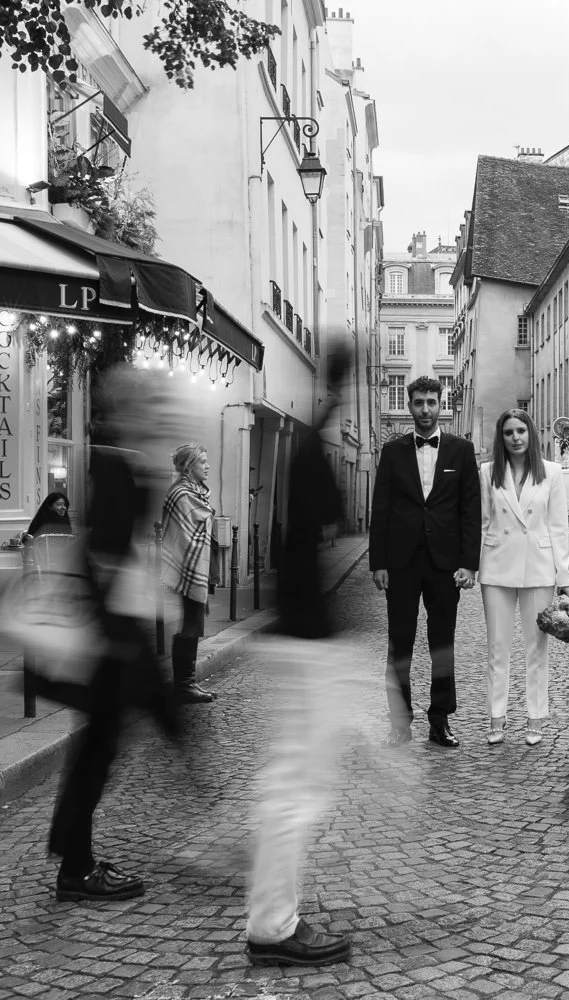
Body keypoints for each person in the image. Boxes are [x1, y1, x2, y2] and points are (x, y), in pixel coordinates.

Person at [46, 365, 187, 902]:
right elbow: (105, 559)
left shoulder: (123, 463)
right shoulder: (114, 467)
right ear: (125, 410)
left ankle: (75, 862)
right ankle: (76, 869)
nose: (158, 412)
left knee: (102, 748)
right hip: (111, 637)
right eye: (150, 403)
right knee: (100, 750)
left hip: (114, 631)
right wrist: (123, 640)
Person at [246, 352, 354, 967]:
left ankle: (273, 918)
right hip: (303, 634)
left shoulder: (308, 441)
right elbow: (325, 528)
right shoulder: (313, 445)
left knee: (295, 783)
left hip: (300, 630)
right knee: (296, 791)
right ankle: (273, 927)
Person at [369, 375, 481, 748]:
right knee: (399, 644)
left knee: (442, 645)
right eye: (418, 402)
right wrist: (377, 562)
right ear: (409, 404)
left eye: (431, 402)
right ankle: (399, 724)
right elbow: (381, 509)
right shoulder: (393, 451)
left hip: (445, 565)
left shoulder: (460, 451)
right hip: (401, 563)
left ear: (441, 404)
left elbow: (470, 510)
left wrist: (469, 563)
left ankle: (440, 722)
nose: (425, 410)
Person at [477, 409, 569, 746]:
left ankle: (535, 717)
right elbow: (483, 522)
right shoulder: (488, 472)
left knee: (537, 649)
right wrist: (474, 565)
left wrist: (564, 575)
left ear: (530, 434)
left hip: (538, 567)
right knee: (496, 649)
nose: (515, 437)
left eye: (520, 431)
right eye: (508, 432)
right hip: (497, 566)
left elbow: (559, 526)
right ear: (500, 438)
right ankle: (496, 717)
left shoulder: (551, 473)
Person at [161, 444, 219, 704]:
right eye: (202, 462)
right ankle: (183, 685)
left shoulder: (195, 492)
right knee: (190, 623)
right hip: (187, 565)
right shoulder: (182, 494)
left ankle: (187, 682)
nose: (207, 466)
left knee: (192, 622)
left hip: (196, 564)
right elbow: (183, 537)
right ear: (188, 466)